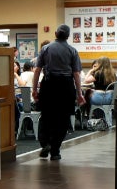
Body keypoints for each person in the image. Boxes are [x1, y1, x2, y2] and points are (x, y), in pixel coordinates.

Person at [32, 24, 84, 161]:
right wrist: (79, 94)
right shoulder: (72, 51)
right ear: (68, 36)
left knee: (46, 115)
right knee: (63, 118)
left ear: (55, 33)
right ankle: (55, 151)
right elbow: (76, 74)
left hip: (48, 84)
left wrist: (34, 90)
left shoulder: (45, 48)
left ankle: (45, 143)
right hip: (66, 86)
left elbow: (37, 70)